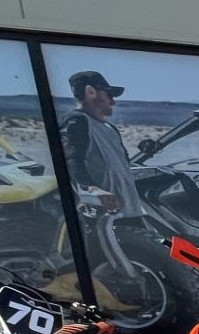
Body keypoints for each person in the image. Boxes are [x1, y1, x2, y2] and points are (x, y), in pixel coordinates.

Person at [60, 70, 151, 221]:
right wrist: (93, 190)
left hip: (130, 213)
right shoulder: (76, 122)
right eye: (109, 94)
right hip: (104, 219)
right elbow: (71, 161)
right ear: (90, 92)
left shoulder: (109, 128)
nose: (113, 101)